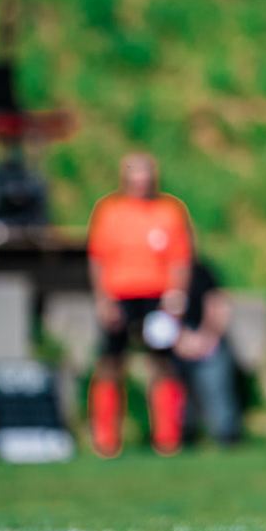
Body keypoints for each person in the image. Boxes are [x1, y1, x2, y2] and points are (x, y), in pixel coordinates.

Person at [86, 153, 194, 458]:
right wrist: (102, 299)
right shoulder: (110, 211)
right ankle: (106, 439)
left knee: (161, 363)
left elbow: (180, 258)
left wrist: (177, 295)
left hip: (157, 295)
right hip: (119, 293)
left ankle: (167, 438)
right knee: (110, 363)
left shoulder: (169, 210)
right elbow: (98, 258)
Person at [173, 257, 241, 445]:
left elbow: (218, 304)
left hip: (206, 338)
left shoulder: (202, 271)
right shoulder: (159, 273)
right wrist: (178, 338)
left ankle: (227, 436)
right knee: (180, 404)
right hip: (175, 342)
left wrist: (207, 337)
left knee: (216, 389)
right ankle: (181, 438)